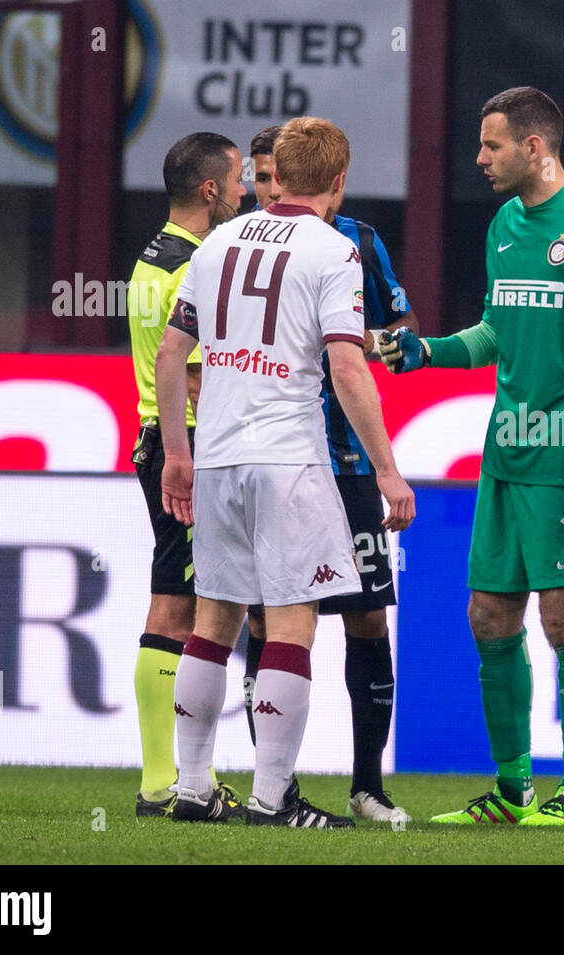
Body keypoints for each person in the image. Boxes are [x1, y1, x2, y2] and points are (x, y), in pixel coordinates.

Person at [380, 86, 564, 826]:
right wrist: (428, 351)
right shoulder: (502, 224)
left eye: (491, 145)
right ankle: (511, 790)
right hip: (505, 455)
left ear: (535, 147)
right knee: (489, 615)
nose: (479, 158)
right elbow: (497, 331)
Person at [155, 116, 415, 828]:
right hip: (287, 458)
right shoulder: (334, 252)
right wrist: (388, 469)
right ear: (336, 181)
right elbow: (346, 365)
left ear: (277, 173)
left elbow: (172, 356)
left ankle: (192, 784)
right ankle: (272, 797)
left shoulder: (217, 243)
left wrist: (177, 454)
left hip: (217, 456)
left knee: (214, 622)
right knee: (292, 627)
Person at [239, 123, 421, 825]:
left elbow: (402, 332)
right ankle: (272, 786)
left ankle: (367, 785)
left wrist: (353, 339)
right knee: (267, 619)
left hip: (344, 463)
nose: (266, 189)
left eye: (272, 175)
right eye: (257, 178)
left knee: (368, 617)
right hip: (276, 457)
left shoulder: (359, 243)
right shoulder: (242, 242)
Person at [127, 131, 247, 818]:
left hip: (159, 441)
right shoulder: (195, 267)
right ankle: (162, 782)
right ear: (210, 190)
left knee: (177, 597)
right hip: (187, 449)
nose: (243, 192)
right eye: (236, 181)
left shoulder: (154, 255)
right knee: (177, 604)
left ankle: (166, 777)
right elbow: (198, 376)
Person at [247, 125, 282, 212]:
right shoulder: (236, 225)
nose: (274, 192)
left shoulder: (319, 225)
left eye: (283, 179)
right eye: (263, 179)